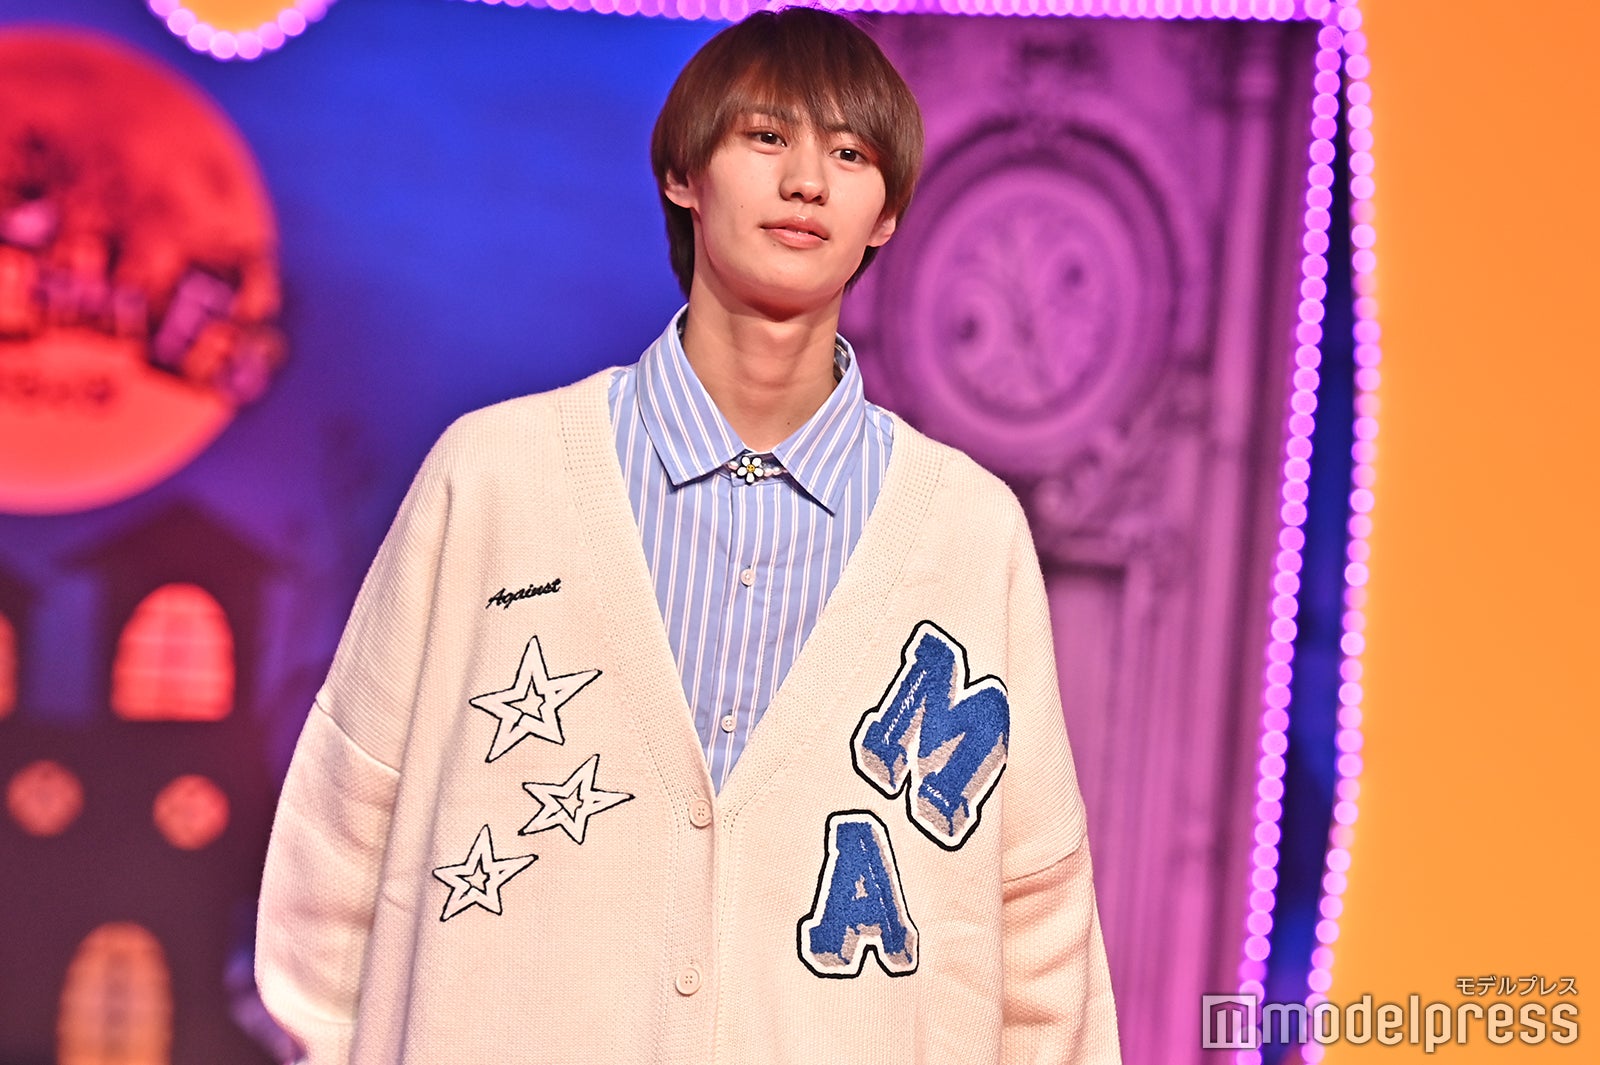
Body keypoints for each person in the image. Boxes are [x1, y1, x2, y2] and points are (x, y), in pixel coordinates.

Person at [255, 6, 1121, 1063]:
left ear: (886, 212)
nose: (807, 181)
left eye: (850, 154)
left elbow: (1039, 925)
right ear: (683, 173)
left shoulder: (966, 530)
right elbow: (339, 844)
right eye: (767, 136)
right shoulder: (493, 479)